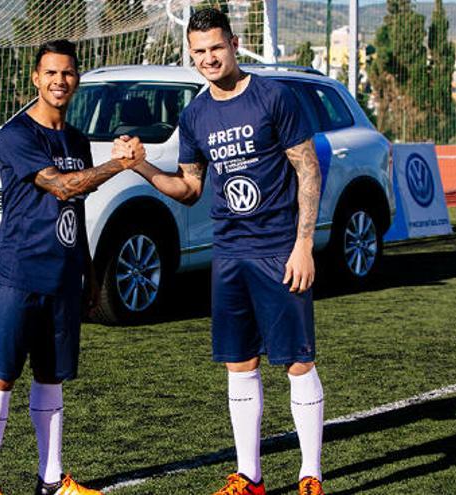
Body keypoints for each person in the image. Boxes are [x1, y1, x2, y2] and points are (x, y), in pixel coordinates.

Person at [115, 8, 325, 495]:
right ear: (192, 54)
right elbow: (189, 187)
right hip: (228, 252)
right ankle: (249, 477)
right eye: (199, 51)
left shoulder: (274, 96)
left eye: (216, 47)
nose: (209, 58)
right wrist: (142, 168)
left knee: (297, 361)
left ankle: (310, 474)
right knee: (239, 363)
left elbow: (307, 169)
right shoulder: (195, 115)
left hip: (279, 249)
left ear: (233, 44)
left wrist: (304, 244)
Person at [0, 39, 142, 495]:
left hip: (64, 275)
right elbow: (63, 187)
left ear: (77, 79)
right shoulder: (17, 135)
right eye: (50, 73)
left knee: (52, 377)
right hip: (19, 273)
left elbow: (76, 210)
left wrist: (86, 269)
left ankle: (51, 480)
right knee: (1, 375)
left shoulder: (76, 139)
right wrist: (118, 165)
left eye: (67, 73)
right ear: (35, 78)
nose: (59, 81)